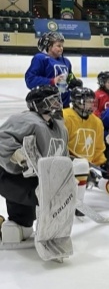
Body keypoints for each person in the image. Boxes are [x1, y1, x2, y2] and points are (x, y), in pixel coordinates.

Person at [0, 85, 68, 244]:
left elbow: (61, 156)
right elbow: (2, 139)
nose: (58, 103)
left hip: (33, 178)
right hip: (9, 175)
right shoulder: (24, 120)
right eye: (52, 100)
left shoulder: (59, 126)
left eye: (58, 99)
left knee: (24, 228)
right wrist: (17, 154)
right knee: (14, 233)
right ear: (38, 104)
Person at [25, 32, 82, 108]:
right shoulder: (40, 58)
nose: (61, 48)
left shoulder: (66, 61)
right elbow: (30, 80)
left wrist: (74, 83)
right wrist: (51, 81)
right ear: (49, 46)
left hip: (64, 105)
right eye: (58, 46)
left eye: (62, 46)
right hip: (46, 107)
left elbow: (69, 77)